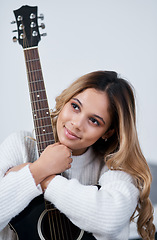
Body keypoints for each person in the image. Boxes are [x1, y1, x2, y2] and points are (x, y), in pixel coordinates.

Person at [0, 71, 155, 240]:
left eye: (94, 121)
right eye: (75, 106)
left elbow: (109, 219)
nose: (76, 124)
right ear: (65, 102)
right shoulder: (21, 145)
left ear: (108, 132)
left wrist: (42, 175)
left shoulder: (113, 167)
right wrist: (38, 168)